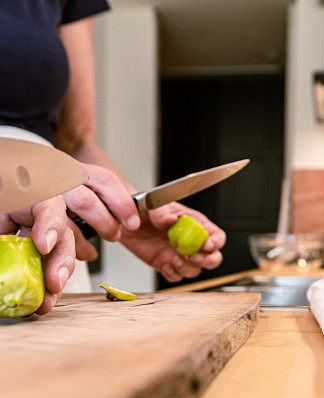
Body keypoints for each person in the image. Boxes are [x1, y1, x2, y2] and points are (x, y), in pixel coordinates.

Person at [0, 0, 225, 314]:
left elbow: (77, 141)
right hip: (39, 206)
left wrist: (125, 210)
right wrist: (8, 180)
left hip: (46, 217)